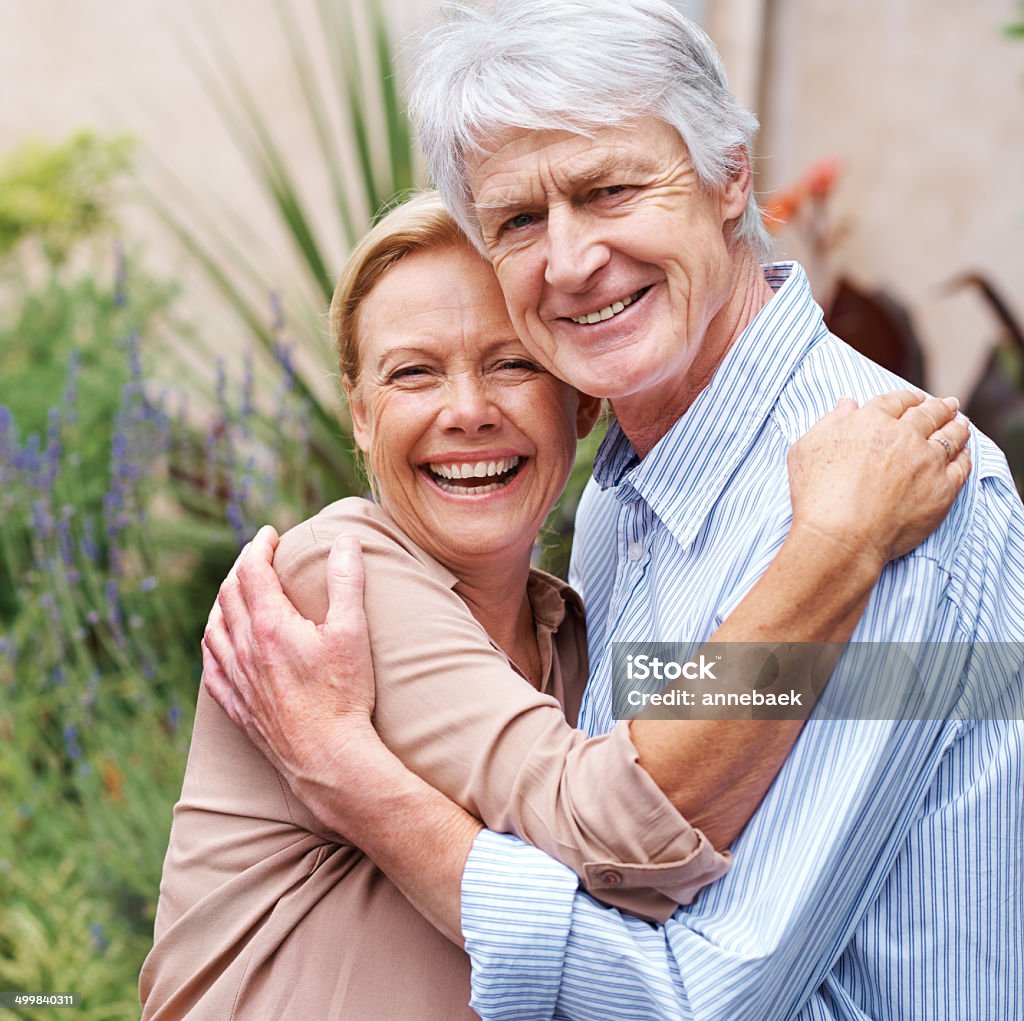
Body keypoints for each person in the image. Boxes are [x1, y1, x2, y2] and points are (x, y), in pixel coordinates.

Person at [201, 1, 1024, 1018]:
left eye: (610, 189)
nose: (571, 259)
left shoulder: (902, 505)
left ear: (730, 175)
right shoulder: (619, 496)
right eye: (516, 220)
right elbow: (610, 848)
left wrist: (351, 778)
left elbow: (698, 996)